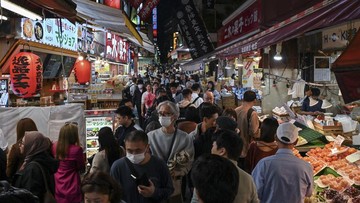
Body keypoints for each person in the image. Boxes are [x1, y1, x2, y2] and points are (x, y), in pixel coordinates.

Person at [251, 122, 314, 203]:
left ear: (275, 138)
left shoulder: (264, 164)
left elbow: (255, 192)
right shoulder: (306, 167)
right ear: (296, 142)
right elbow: (308, 193)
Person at [192, 129, 259, 203]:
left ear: (222, 151)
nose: (211, 150)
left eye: (213, 146)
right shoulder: (248, 179)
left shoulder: (206, 173)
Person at [147, 101, 194, 202]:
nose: (162, 116)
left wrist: (178, 172)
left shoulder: (184, 137)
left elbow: (189, 160)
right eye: (160, 113)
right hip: (155, 183)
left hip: (174, 184)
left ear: (175, 116)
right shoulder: (150, 136)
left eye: (167, 114)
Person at [110, 130, 174, 203]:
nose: (133, 154)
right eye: (129, 151)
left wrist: (154, 192)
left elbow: (169, 190)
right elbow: (113, 194)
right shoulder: (118, 167)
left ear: (147, 147)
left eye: (138, 151)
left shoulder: (160, 165)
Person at [13, 131, 59, 203]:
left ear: (32, 146)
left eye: (22, 143)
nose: (20, 145)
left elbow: (30, 196)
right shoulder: (42, 160)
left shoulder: (32, 168)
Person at [52, 123, 85, 203]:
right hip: (72, 182)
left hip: (58, 180)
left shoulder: (55, 146)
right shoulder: (77, 150)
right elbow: (81, 167)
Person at [235, 90, 260, 159]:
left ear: (243, 99)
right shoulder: (252, 113)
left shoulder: (236, 110)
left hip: (236, 147)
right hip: (246, 148)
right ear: (254, 100)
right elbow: (254, 132)